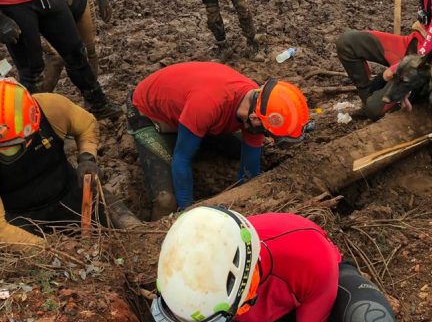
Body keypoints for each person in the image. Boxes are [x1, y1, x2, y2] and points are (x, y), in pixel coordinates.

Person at [151, 205, 406, 322]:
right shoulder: (187, 283)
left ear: (249, 291)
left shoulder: (306, 250)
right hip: (258, 321)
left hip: (321, 294)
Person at [0, 79, 139, 251]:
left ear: (32, 129)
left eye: (9, 149)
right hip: (16, 219)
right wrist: (48, 249)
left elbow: (86, 124)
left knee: (132, 228)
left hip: (69, 194)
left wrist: (87, 158)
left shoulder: (51, 109)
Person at [127, 62, 311, 220]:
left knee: (238, 149)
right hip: (149, 114)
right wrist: (188, 212)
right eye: (268, 134)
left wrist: (251, 205)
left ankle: (195, 133)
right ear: (255, 118)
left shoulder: (256, 103)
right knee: (166, 200)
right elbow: (181, 159)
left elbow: (250, 171)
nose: (267, 138)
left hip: (192, 112)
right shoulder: (208, 105)